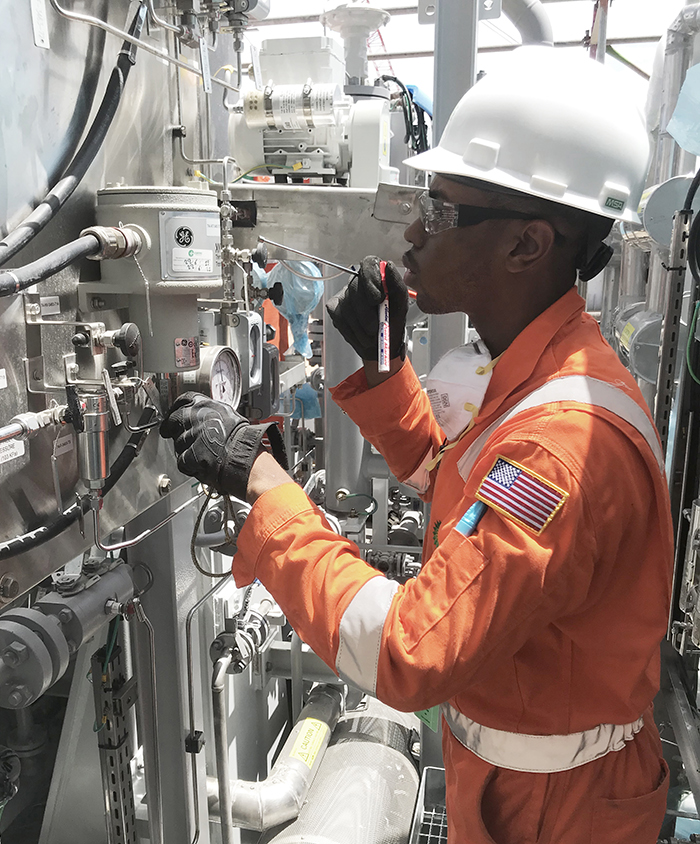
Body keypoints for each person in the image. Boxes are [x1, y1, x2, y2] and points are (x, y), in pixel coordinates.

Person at [162, 48, 671, 841]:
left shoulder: (561, 442)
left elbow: (410, 652)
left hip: (560, 812)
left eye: (440, 214)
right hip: (522, 784)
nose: (411, 233)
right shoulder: (542, 374)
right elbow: (462, 495)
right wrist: (388, 376)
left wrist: (264, 483)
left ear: (528, 245)